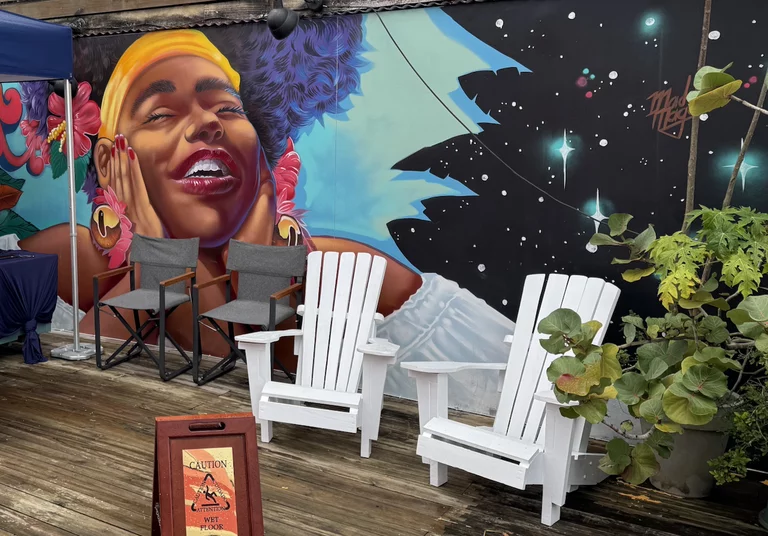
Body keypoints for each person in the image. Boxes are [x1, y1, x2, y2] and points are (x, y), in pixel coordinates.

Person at [22, 29, 421, 358]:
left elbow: (276, 383)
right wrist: (154, 258)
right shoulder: (68, 258)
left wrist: (258, 270)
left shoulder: (342, 270)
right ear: (110, 163)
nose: (207, 122)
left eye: (228, 108)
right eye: (161, 114)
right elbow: (78, 382)